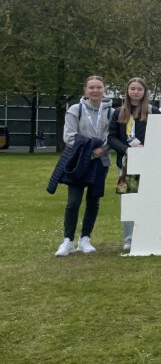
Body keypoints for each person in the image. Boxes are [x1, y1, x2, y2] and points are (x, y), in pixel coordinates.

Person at [53, 76, 112, 256]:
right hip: (78, 162)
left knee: (93, 201)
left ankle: (85, 239)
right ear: (85, 90)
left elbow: (112, 136)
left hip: (101, 162)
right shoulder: (75, 110)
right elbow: (69, 137)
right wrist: (92, 148)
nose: (95, 91)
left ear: (104, 89)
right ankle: (68, 240)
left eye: (99, 87)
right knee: (73, 202)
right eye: (91, 87)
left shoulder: (111, 111)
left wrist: (103, 149)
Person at [107, 77, 161, 251]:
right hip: (126, 164)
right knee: (129, 201)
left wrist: (149, 148)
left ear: (145, 92)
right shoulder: (119, 112)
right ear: (127, 91)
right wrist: (127, 150)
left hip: (149, 163)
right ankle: (129, 238)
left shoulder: (153, 112)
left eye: (139, 89)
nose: (136, 92)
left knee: (151, 199)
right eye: (132, 89)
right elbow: (111, 137)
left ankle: (151, 233)